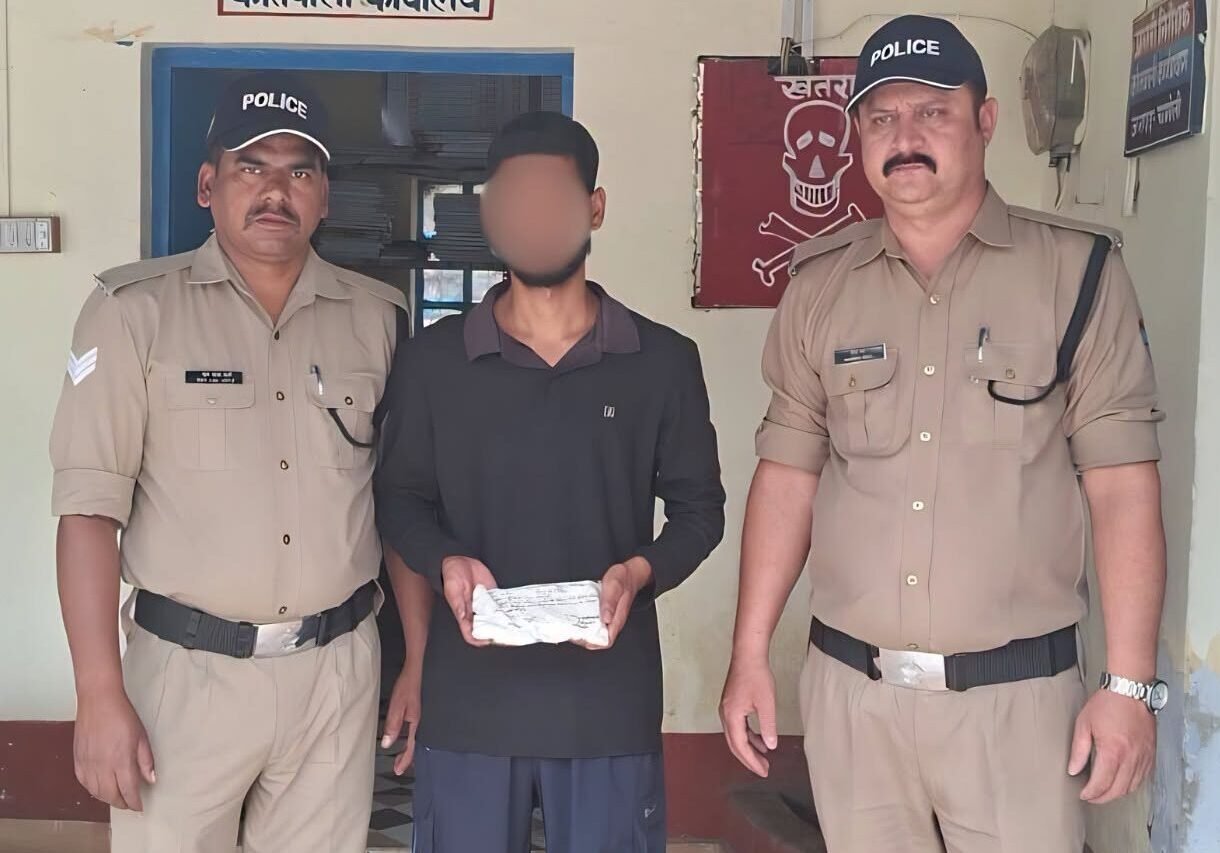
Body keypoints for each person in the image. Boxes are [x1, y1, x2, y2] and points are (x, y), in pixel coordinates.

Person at [719, 15, 1168, 853]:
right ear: (859, 136)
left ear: (985, 120)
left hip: (1018, 707)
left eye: (933, 112)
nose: (906, 138)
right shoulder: (819, 285)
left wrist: (1130, 684)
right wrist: (749, 653)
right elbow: (787, 476)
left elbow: (1122, 486)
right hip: (854, 700)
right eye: (882, 118)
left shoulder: (1077, 273)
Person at [50, 71, 409, 853]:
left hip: (336, 672)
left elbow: (401, 501)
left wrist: (419, 658)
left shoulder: (377, 319)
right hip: (185, 677)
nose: (276, 190)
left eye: (300, 171)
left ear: (324, 197)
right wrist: (98, 692)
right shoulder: (132, 313)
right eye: (253, 166)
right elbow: (87, 513)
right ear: (208, 185)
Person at [374, 111, 726, 853]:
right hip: (469, 705)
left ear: (594, 208)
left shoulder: (661, 361)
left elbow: (700, 511)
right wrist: (445, 561)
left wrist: (639, 572)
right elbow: (400, 498)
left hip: (606, 708)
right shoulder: (433, 362)